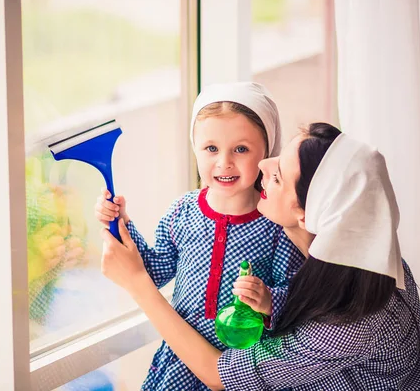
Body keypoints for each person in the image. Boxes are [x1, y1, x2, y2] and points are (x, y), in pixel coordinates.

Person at [100, 122, 420, 390]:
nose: (263, 165)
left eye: (280, 175)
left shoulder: (351, 324)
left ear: (305, 213)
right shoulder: (361, 263)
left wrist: (137, 284)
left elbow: (218, 375)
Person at [95, 82, 304, 390]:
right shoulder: (182, 211)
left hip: (241, 367)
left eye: (241, 149)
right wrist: (122, 222)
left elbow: (299, 300)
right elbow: (154, 271)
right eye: (211, 149)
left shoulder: (277, 226)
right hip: (180, 361)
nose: (224, 162)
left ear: (267, 152)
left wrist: (270, 300)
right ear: (195, 149)